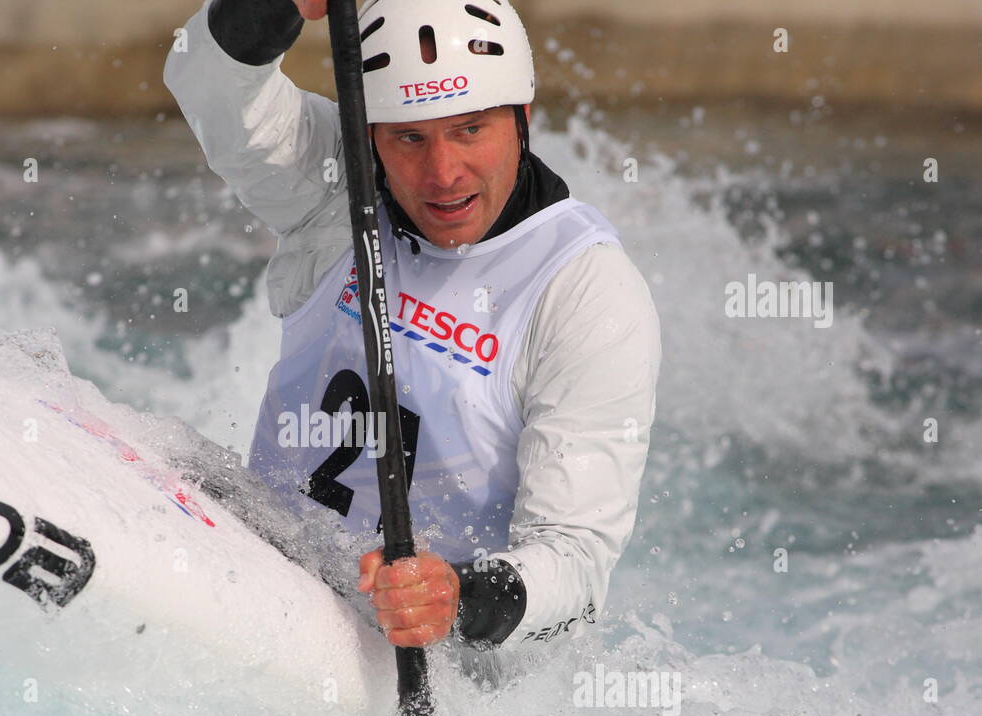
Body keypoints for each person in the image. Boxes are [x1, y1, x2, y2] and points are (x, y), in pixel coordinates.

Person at [164, 0, 661, 652]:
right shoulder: (338, 187)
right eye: (409, 138)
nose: (443, 174)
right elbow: (207, 86)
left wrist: (453, 596)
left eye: (470, 130)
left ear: (522, 119)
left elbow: (576, 561)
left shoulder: (587, 293)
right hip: (262, 576)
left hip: (449, 668)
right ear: (370, 136)